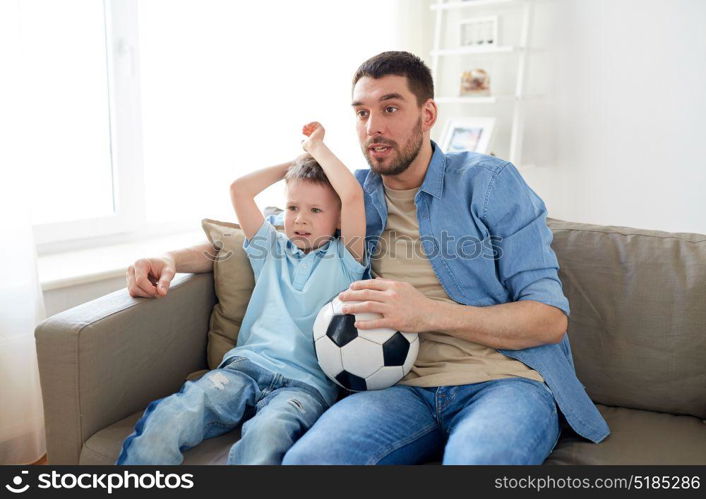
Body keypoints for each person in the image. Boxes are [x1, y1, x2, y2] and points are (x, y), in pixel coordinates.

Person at [127, 51, 609, 465]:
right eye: (361, 113)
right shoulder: (346, 196)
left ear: (428, 113)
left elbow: (548, 320)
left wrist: (428, 314)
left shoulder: (489, 183)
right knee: (307, 462)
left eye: (390, 108)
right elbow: (253, 240)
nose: (373, 127)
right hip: (394, 389)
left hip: (504, 381)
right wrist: (168, 257)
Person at [117, 122, 367, 465]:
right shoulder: (270, 249)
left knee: (265, 440)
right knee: (168, 420)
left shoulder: (347, 258)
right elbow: (239, 190)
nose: (300, 219)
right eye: (293, 207)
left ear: (338, 219)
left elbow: (352, 195)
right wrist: (295, 165)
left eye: (315, 210)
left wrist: (319, 149)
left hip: (304, 386)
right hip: (243, 368)